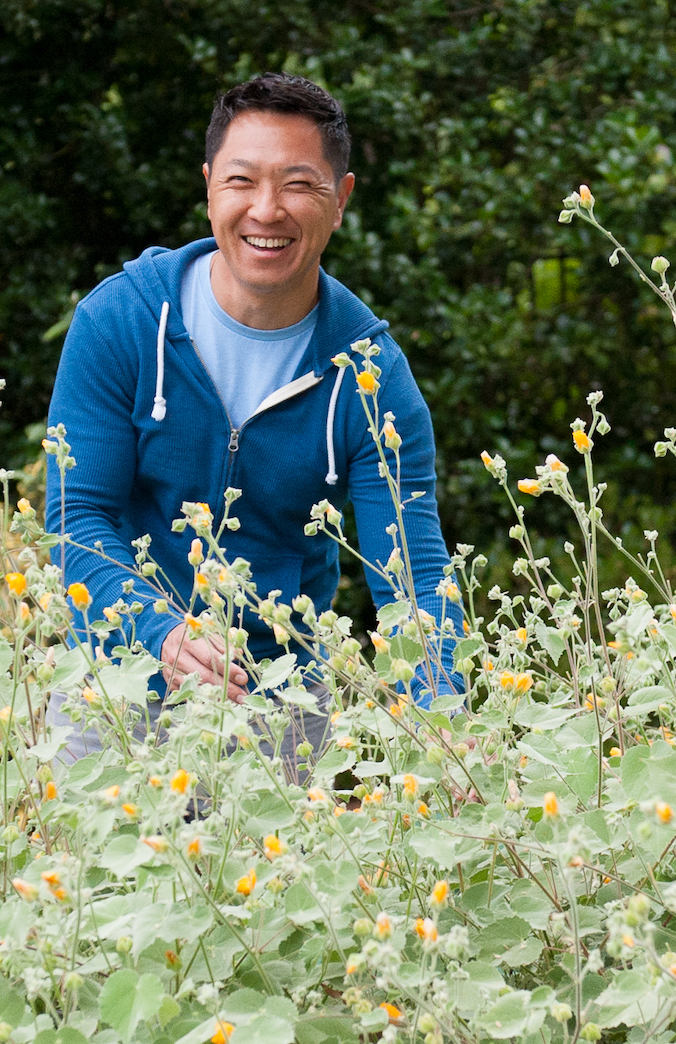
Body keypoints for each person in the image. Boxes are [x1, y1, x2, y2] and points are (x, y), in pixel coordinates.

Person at [43, 72, 464, 760]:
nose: (266, 210)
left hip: (280, 710)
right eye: (242, 181)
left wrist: (446, 728)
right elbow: (76, 518)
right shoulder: (119, 321)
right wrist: (161, 631)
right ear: (209, 186)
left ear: (341, 200)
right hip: (111, 693)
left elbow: (411, 575)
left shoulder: (370, 379)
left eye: (299, 184)